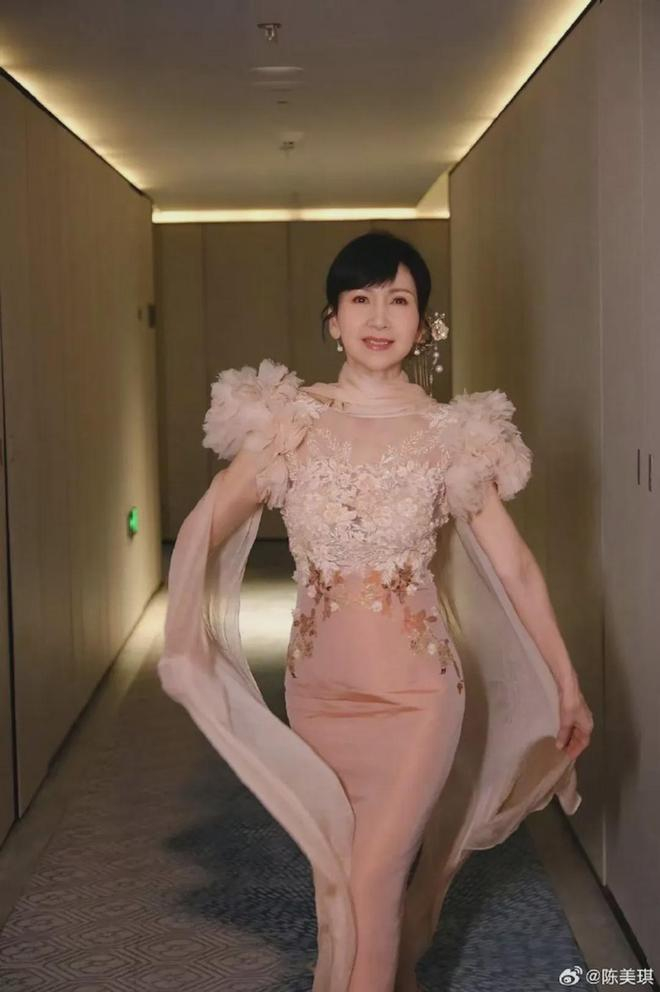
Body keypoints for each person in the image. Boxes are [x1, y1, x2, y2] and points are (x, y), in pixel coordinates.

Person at [158, 230, 593, 992]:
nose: (380, 316)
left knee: (373, 881)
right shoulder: (288, 424)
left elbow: (516, 566)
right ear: (333, 320)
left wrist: (567, 681)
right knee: (343, 884)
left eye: (400, 299)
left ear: (423, 324)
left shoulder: (451, 436)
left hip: (419, 700)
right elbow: (204, 525)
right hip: (319, 697)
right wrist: (183, 644)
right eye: (361, 298)